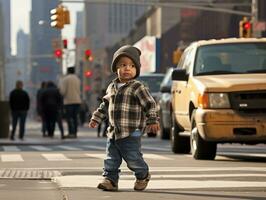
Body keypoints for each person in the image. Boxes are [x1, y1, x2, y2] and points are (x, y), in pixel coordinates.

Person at [89, 45, 160, 191]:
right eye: (123, 65)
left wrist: (152, 120)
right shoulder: (111, 87)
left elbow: (150, 104)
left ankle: (143, 174)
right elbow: (104, 105)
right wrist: (96, 118)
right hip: (113, 132)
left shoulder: (138, 87)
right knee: (111, 159)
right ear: (116, 68)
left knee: (133, 158)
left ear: (136, 70)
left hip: (132, 131)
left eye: (132, 66)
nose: (127, 68)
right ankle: (110, 180)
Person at [59, 67, 81, 138]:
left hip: (68, 101)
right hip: (77, 101)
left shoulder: (65, 79)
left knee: (69, 118)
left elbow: (62, 91)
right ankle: (75, 133)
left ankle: (70, 132)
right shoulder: (78, 79)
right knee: (75, 118)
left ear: (68, 71)